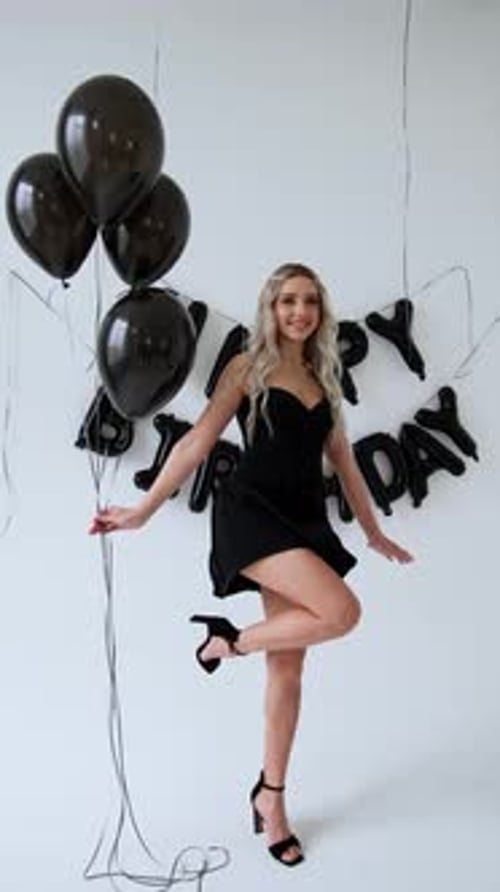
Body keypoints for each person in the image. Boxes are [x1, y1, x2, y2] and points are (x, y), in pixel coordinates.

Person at [89, 262, 414, 868]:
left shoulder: (323, 375)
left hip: (305, 518)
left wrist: (373, 532)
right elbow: (197, 443)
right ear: (270, 307)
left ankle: (272, 799)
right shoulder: (247, 367)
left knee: (288, 672)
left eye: (309, 301)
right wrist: (143, 510)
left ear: (320, 310)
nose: (299, 311)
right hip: (253, 513)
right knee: (342, 612)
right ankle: (229, 642)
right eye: (288, 300)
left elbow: (342, 459)